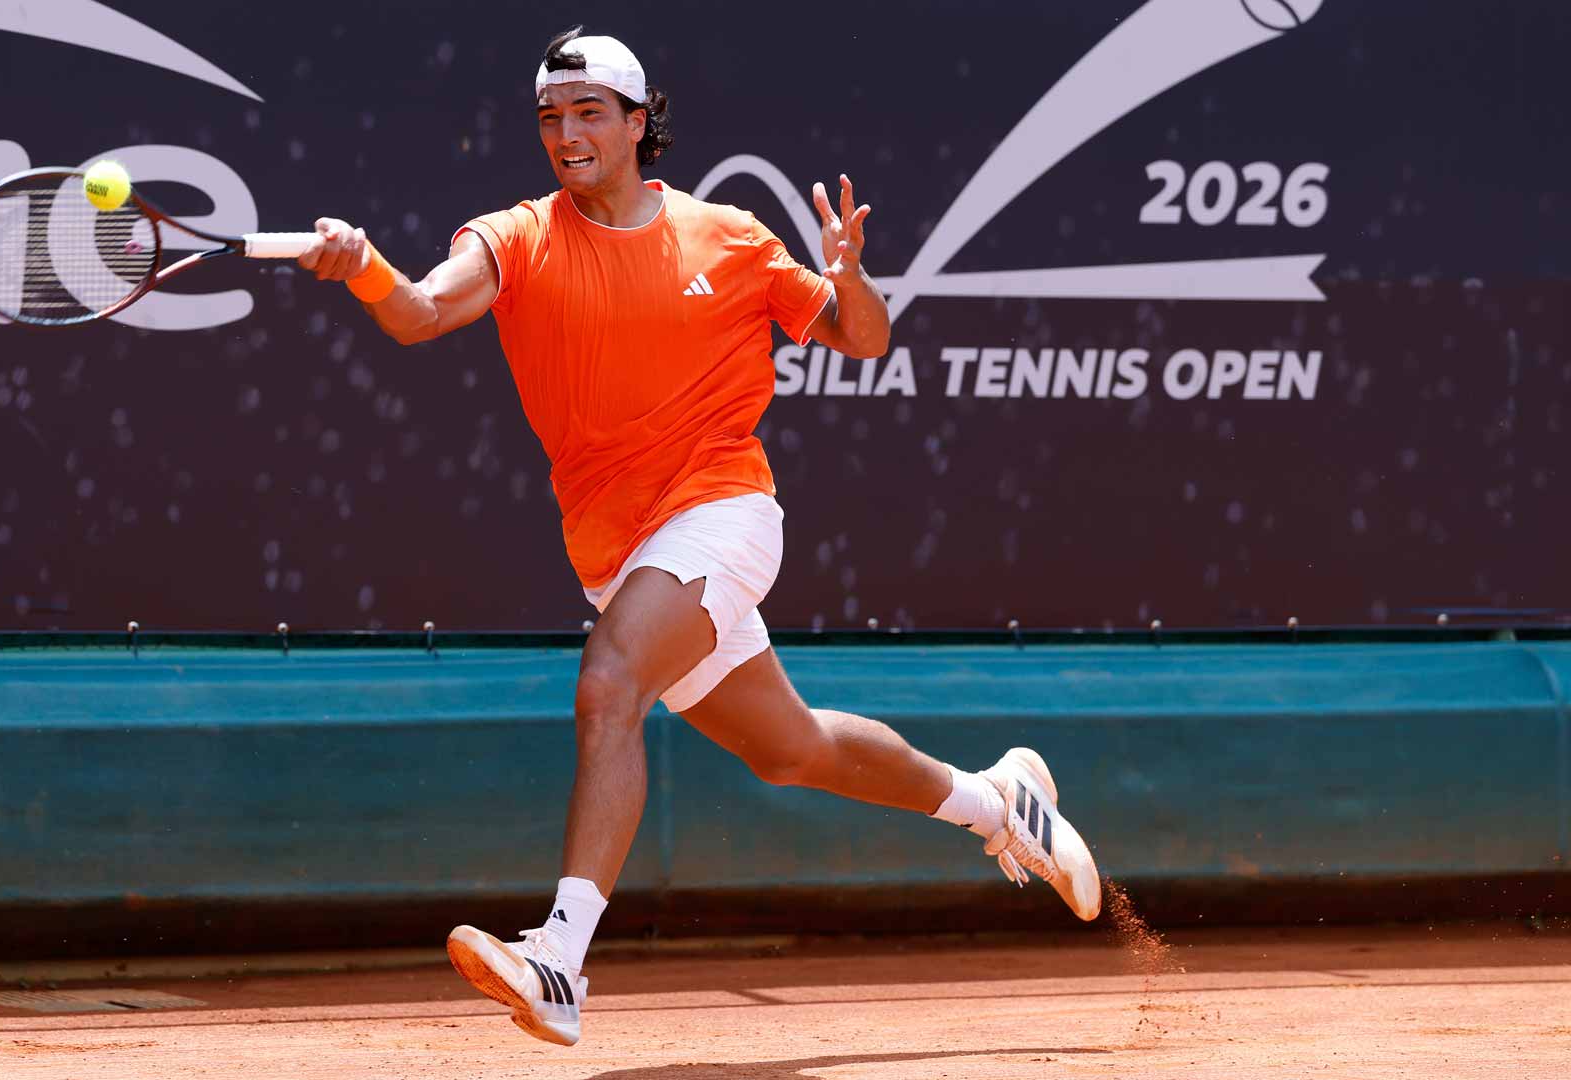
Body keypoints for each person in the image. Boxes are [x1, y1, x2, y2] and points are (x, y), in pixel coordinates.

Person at [296, 27, 1102, 1047]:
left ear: (640, 123)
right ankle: (999, 803)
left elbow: (863, 337)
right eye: (550, 117)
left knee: (610, 682)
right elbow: (417, 313)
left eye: (590, 113)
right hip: (617, 549)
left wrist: (848, 275)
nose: (567, 133)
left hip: (723, 508)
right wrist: (366, 266)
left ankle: (558, 961)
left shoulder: (730, 237)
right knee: (792, 750)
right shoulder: (515, 237)